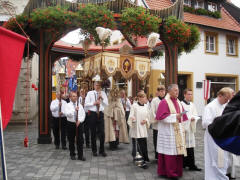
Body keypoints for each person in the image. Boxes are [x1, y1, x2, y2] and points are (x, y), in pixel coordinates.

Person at [156, 84, 188, 180]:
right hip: (167, 131)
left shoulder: (178, 102)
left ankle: (177, 171)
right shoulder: (164, 102)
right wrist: (175, 116)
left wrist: (181, 116)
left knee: (176, 151)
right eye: (175, 90)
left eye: (177, 90)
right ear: (169, 91)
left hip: (177, 131)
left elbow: (182, 116)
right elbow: (161, 117)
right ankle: (170, 172)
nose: (177, 92)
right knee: (169, 152)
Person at [202, 87, 232, 180]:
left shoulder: (224, 105)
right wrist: (219, 123)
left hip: (223, 137)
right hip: (214, 138)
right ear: (220, 95)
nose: (227, 101)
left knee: (223, 160)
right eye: (226, 99)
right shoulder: (210, 107)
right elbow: (205, 123)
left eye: (228, 99)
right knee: (216, 159)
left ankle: (220, 176)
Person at [85, 80, 108, 157]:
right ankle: (94, 150)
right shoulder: (90, 93)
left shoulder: (103, 93)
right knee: (93, 133)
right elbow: (86, 104)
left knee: (102, 133)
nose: (97, 87)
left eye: (99, 85)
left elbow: (106, 104)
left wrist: (102, 99)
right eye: (96, 85)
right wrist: (93, 103)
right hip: (92, 114)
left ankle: (102, 150)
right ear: (94, 86)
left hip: (100, 113)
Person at [128, 91, 150, 169]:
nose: (146, 99)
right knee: (138, 145)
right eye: (144, 97)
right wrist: (133, 119)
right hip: (136, 128)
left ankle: (144, 158)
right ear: (140, 98)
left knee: (144, 144)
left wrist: (146, 120)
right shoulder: (134, 106)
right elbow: (131, 116)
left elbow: (148, 116)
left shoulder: (146, 106)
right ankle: (141, 162)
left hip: (143, 128)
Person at [181, 88, 201, 171]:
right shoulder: (181, 104)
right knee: (184, 147)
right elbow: (181, 116)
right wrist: (189, 119)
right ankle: (183, 164)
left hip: (190, 128)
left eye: (191, 94)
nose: (190, 96)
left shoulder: (192, 105)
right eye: (188, 94)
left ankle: (192, 165)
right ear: (184, 95)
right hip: (184, 129)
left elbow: (196, 115)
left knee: (191, 147)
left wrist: (194, 118)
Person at [64, 91, 86, 161]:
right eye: (73, 96)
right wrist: (74, 110)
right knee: (71, 139)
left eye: (76, 96)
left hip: (79, 124)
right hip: (71, 124)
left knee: (80, 139)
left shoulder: (80, 105)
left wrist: (80, 120)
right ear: (70, 97)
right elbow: (67, 114)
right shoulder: (67, 105)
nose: (75, 97)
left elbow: (83, 114)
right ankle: (72, 154)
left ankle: (80, 155)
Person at [150, 85, 166, 160]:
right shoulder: (154, 100)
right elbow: (152, 111)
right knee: (156, 140)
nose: (163, 93)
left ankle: (164, 155)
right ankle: (157, 156)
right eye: (161, 91)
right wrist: (157, 118)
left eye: (163, 91)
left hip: (164, 123)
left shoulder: (166, 100)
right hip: (157, 124)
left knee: (163, 140)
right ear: (158, 92)